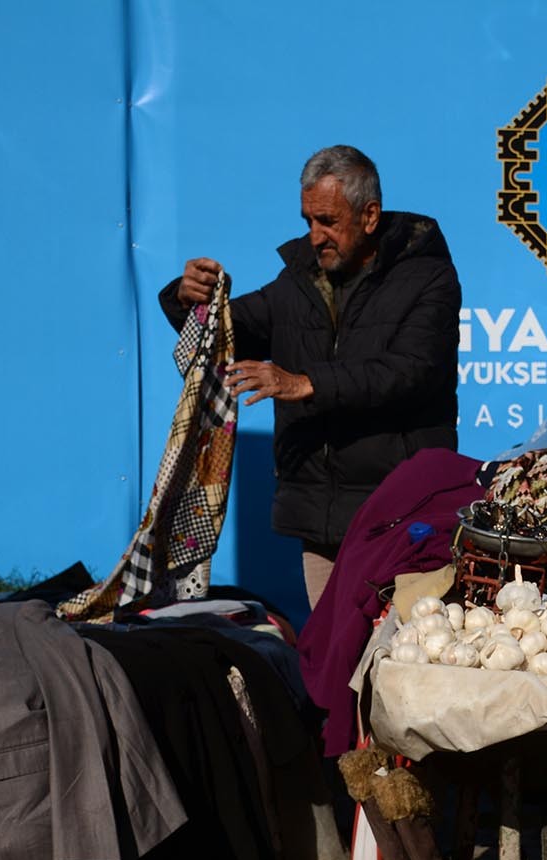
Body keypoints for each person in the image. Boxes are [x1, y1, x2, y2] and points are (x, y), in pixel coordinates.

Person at [161, 145, 461, 609]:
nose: (315, 236)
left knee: (397, 659)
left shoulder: (429, 278)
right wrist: (190, 300)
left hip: (401, 515)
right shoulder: (298, 281)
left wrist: (305, 383)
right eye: (308, 221)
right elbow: (224, 333)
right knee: (330, 660)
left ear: (369, 215)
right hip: (320, 522)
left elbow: (412, 372)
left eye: (327, 221)